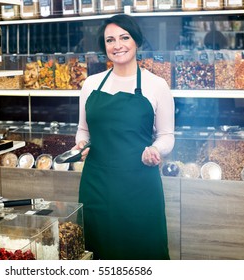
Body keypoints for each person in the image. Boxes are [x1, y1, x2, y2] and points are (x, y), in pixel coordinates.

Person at [73, 14, 175, 260]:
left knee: (141, 250)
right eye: (110, 40)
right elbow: (83, 129)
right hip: (96, 185)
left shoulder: (156, 85)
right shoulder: (91, 84)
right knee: (96, 251)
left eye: (124, 37)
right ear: (104, 47)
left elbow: (166, 136)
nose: (117, 45)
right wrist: (81, 144)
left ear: (136, 41)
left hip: (139, 186)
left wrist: (155, 151)